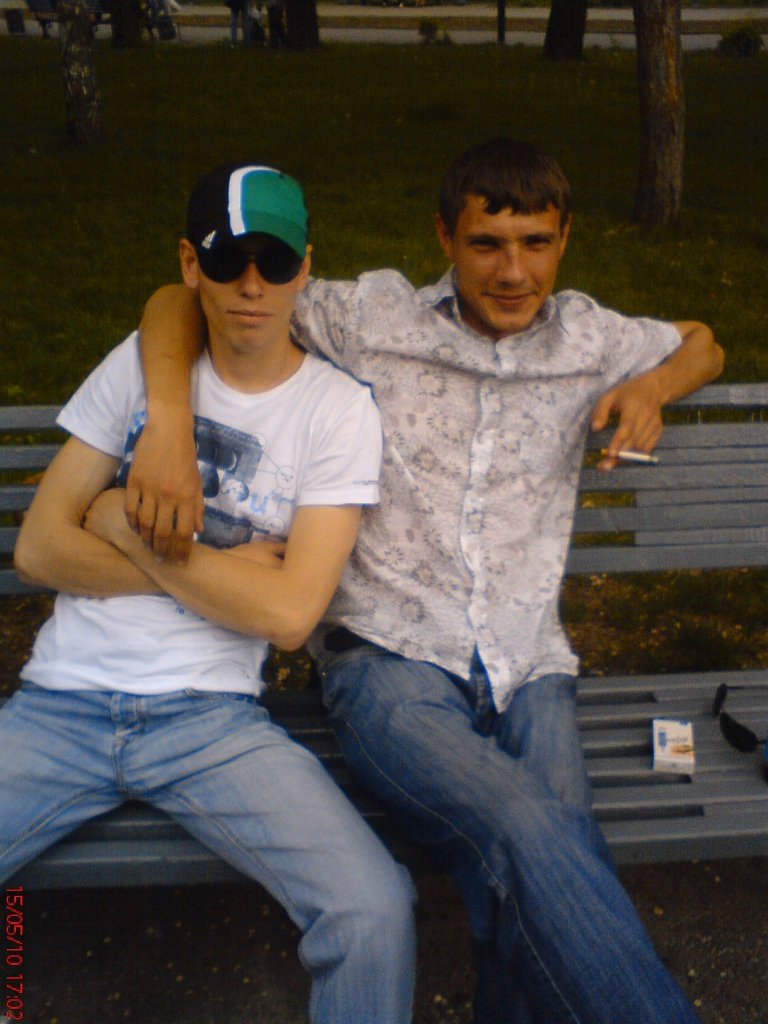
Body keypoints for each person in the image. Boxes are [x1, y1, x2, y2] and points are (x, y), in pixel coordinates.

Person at [127, 138, 725, 1023]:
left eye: (536, 243)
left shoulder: (592, 337)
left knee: (543, 862)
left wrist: (656, 387)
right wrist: (168, 422)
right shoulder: (373, 317)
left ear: (564, 240)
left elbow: (705, 344)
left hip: (530, 664)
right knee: (534, 832)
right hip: (388, 664)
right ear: (445, 237)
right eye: (487, 243)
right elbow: (184, 297)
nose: (513, 272)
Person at [3, 162, 415, 1024]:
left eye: (275, 261)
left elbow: (289, 615)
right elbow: (39, 550)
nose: (252, 285)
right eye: (228, 261)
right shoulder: (143, 366)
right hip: (59, 706)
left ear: (307, 267)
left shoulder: (337, 410)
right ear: (191, 264)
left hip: (210, 722)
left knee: (373, 909)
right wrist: (223, 570)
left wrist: (120, 526)